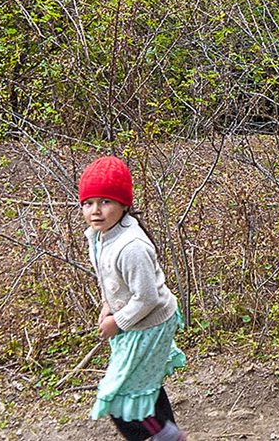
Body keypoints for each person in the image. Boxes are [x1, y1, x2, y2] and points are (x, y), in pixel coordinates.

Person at [79, 155, 188, 441]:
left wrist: (118, 321)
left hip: (149, 324)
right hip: (136, 322)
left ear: (124, 204)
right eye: (89, 203)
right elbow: (112, 281)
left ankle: (164, 436)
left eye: (106, 202)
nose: (96, 211)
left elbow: (147, 297)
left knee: (119, 397)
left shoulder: (132, 247)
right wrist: (107, 304)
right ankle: (167, 434)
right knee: (144, 383)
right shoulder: (100, 235)